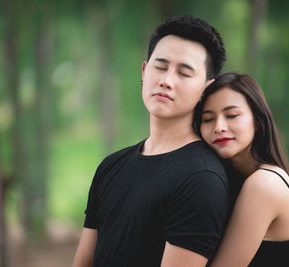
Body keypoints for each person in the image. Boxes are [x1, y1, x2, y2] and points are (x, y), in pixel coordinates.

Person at [72, 15, 229, 267]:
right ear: (145, 70)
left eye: (184, 73)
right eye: (160, 66)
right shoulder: (110, 166)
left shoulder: (202, 178)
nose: (166, 81)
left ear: (205, 89)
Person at [194, 72, 289, 267]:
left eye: (232, 115)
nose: (219, 126)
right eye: (208, 119)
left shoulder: (264, 184)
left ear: (258, 121)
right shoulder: (233, 179)